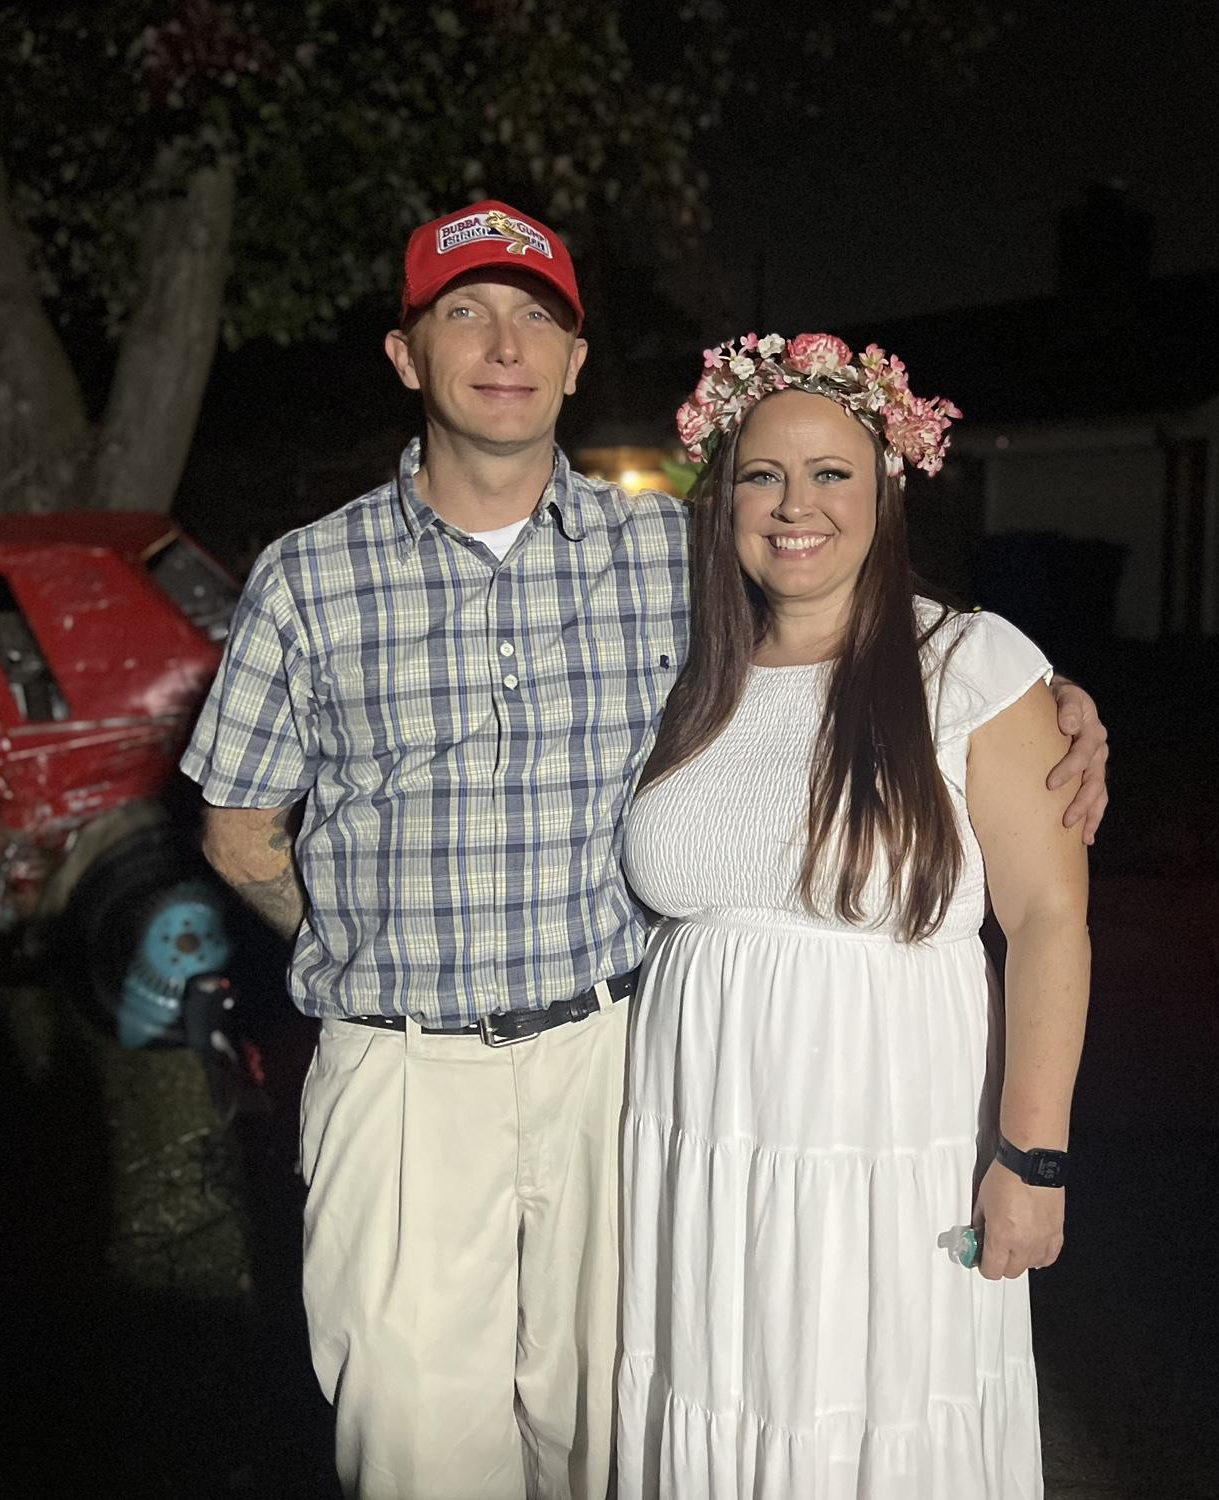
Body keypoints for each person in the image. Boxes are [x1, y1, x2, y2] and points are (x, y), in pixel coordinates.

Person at [181, 199, 1108, 1500]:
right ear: (406, 355)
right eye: (464, 313)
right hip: (412, 1077)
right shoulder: (305, 577)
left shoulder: (662, 561)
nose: (503, 344)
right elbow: (235, 834)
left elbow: (878, 632)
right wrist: (354, 939)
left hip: (617, 1073)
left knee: (612, 1436)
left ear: (573, 361)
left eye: (538, 319)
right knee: (414, 1443)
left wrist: (1058, 704)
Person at [615, 333, 1092, 1499]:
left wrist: (1032, 1158)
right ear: (721, 498)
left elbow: (1047, 923)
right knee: (723, 1400)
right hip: (701, 1146)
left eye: (832, 473)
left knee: (867, 1413)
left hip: (886, 1143)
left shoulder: (971, 664)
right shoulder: (688, 678)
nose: (795, 506)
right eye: (762, 475)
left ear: (885, 489)